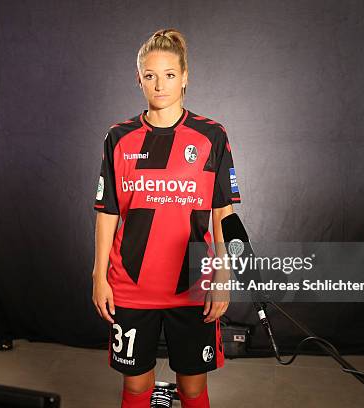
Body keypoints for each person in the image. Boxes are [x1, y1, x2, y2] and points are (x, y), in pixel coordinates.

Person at [92, 28, 242, 408]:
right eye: (150, 75)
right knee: (138, 388)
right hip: (130, 284)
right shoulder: (119, 137)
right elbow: (107, 212)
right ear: (138, 79)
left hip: (193, 284)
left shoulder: (212, 135)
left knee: (192, 390)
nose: (160, 85)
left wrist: (224, 274)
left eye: (170, 74)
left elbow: (224, 210)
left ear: (186, 76)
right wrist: (98, 276)